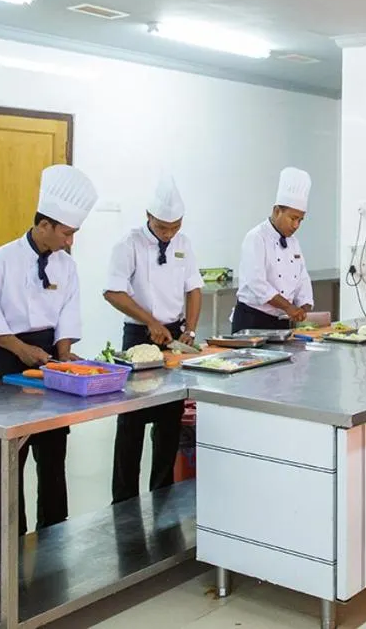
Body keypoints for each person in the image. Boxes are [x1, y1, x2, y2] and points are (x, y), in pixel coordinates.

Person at [0, 163, 98, 543]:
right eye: (67, 232)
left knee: (53, 455)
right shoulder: (1, 260)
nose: (70, 241)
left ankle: (53, 535)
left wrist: (63, 354)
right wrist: (20, 348)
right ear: (44, 225)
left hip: (49, 362)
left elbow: (67, 314)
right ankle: (8, 542)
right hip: (8, 361)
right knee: (7, 462)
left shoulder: (67, 266)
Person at [105, 174, 203, 504]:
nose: (169, 233)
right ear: (148, 217)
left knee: (169, 420)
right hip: (138, 337)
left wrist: (188, 330)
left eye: (174, 227)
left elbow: (194, 288)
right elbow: (112, 291)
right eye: (163, 227)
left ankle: (162, 497)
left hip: (173, 337)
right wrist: (149, 321)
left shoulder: (184, 244)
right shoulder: (129, 244)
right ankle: (123, 502)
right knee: (132, 421)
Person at [232, 167, 313, 332]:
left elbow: (302, 277)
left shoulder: (293, 242)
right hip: (253, 320)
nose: (296, 225)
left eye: (301, 220)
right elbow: (257, 283)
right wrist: (289, 308)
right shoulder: (256, 237)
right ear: (277, 211)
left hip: (281, 321)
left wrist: (304, 306)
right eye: (293, 218)